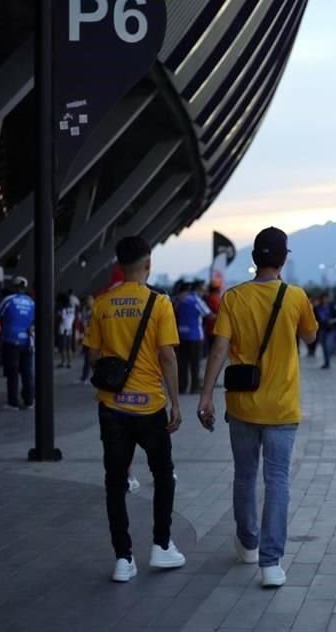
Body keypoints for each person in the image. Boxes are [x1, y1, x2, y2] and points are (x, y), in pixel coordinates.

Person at [198, 227, 318, 589]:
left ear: (254, 259)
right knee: (277, 480)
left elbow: (219, 349)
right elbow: (311, 336)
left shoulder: (234, 298)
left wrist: (205, 396)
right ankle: (271, 563)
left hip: (242, 405)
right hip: (281, 407)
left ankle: (248, 542)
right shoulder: (296, 297)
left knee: (245, 475)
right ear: (283, 259)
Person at [85, 235, 185, 582]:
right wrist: (175, 403)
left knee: (115, 482)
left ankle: (123, 560)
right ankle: (161, 545)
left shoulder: (102, 303)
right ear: (148, 264)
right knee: (163, 474)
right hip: (150, 406)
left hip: (112, 407)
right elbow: (167, 356)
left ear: (118, 266)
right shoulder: (159, 303)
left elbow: (94, 356)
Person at [0, 277, 36, 411]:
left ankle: (13, 403)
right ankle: (29, 401)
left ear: (13, 286)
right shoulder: (31, 302)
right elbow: (34, 320)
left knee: (12, 372)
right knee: (27, 373)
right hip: (27, 341)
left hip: (10, 340)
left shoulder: (8, 300)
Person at [174, 281, 211, 394]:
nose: (205, 292)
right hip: (195, 336)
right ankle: (194, 388)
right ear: (198, 289)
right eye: (203, 289)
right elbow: (207, 313)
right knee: (195, 364)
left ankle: (182, 387)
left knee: (182, 364)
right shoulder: (196, 300)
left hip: (180, 335)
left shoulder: (179, 299)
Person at [56, 293, 76, 369]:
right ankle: (69, 362)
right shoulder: (72, 309)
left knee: (63, 347)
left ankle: (63, 362)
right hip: (69, 329)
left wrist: (58, 316)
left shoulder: (63, 309)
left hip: (63, 329)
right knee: (69, 347)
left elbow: (62, 319)